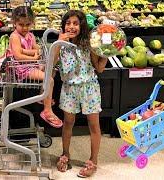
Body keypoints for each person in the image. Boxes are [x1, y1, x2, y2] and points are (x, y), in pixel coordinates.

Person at [54, 10, 108, 178]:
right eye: (68, 23)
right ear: (63, 26)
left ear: (81, 26)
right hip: (69, 88)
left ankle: (94, 160)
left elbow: (99, 68)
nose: (71, 26)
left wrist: (107, 52)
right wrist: (57, 44)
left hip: (89, 88)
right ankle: (65, 154)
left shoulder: (88, 44)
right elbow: (51, 65)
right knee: (68, 123)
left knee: (94, 125)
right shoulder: (60, 45)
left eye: (75, 23)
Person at [8, 6, 63, 128]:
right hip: (21, 68)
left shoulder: (31, 35)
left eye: (28, 24)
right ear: (14, 23)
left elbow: (35, 48)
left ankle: (42, 95)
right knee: (49, 79)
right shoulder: (14, 37)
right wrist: (33, 56)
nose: (25, 28)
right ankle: (47, 110)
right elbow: (17, 56)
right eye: (21, 24)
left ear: (32, 23)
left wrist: (33, 52)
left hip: (31, 65)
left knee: (52, 68)